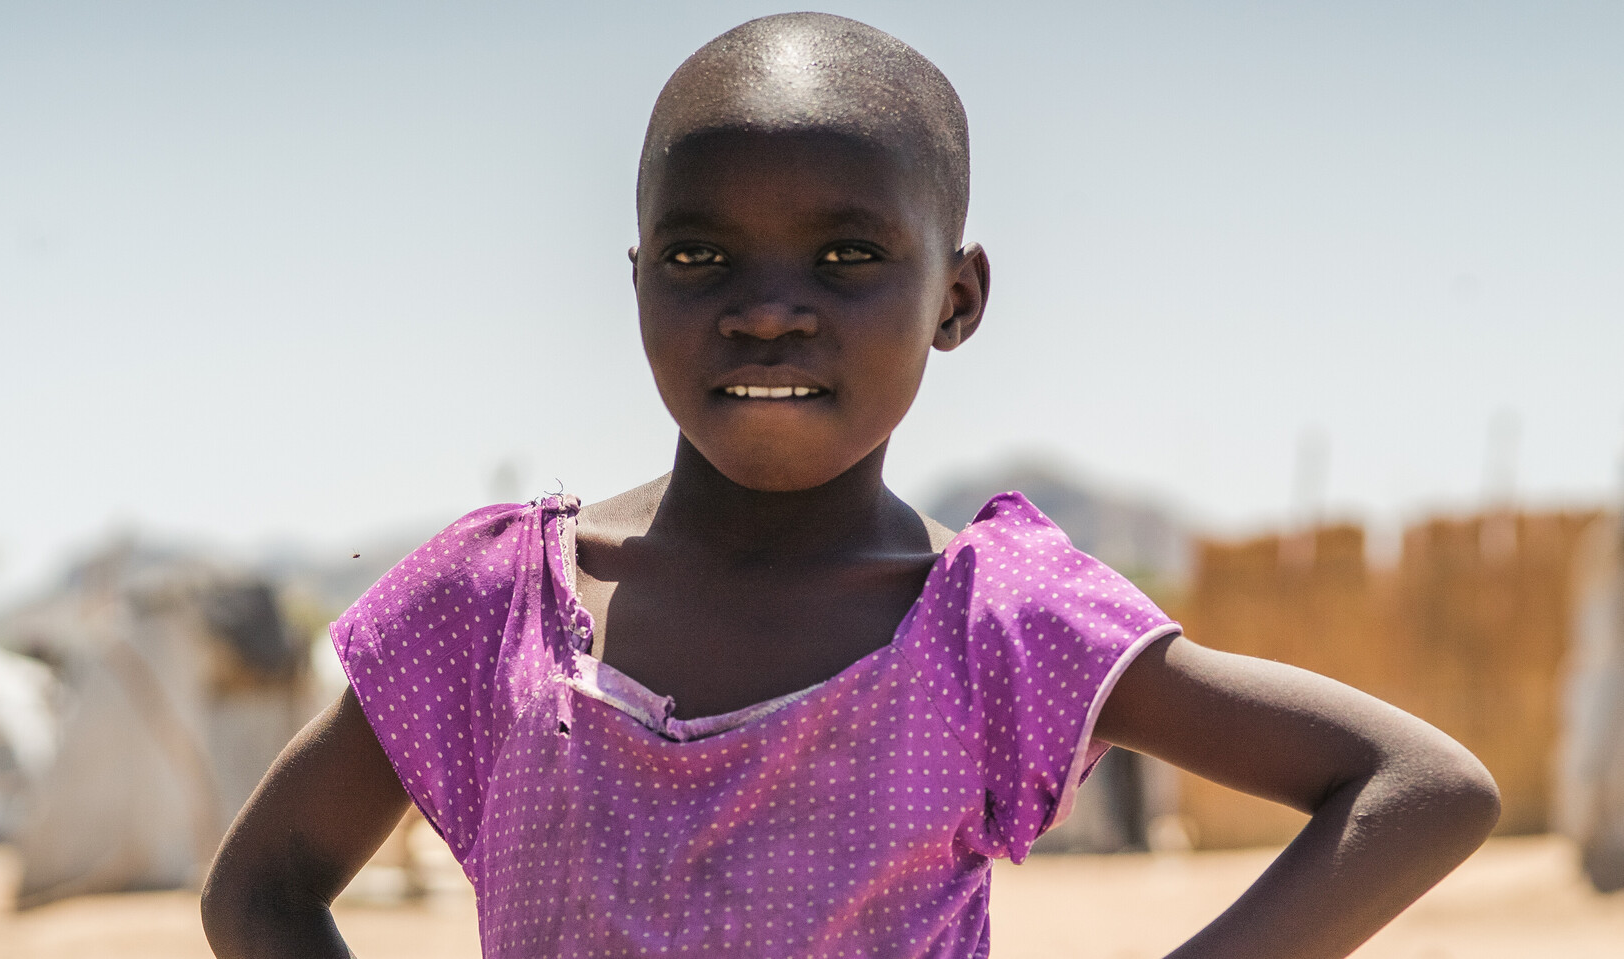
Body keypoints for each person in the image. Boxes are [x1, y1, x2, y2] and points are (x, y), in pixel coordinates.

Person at [200, 13, 1500, 959]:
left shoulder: (992, 625)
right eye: (702, 253)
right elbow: (260, 891)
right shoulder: (496, 605)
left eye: (846, 253)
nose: (769, 312)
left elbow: (1417, 787)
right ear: (638, 279)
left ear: (957, 298)